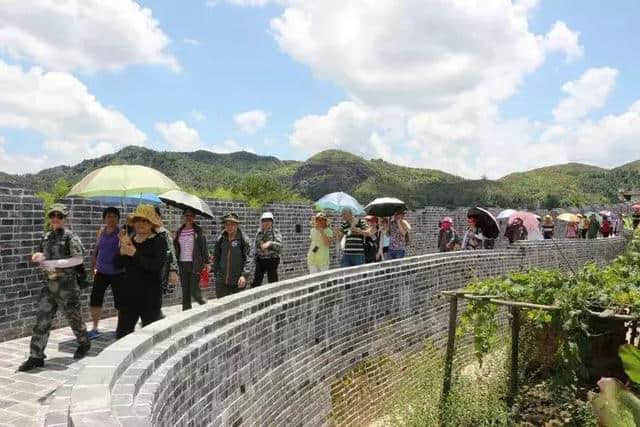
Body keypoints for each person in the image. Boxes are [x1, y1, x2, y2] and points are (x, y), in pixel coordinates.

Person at [19, 204, 91, 371]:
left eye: (59, 216)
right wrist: (38, 256)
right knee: (42, 321)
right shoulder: (45, 237)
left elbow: (78, 259)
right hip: (49, 285)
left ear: (65, 218)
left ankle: (83, 342)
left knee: (74, 318)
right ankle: (36, 356)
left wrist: (53, 263)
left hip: (67, 286)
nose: (56, 219)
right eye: (53, 216)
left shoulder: (70, 237)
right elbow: (41, 254)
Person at [114, 204, 167, 339]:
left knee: (150, 338)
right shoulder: (130, 240)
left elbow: (155, 266)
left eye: (145, 220)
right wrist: (121, 251)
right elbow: (117, 264)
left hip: (150, 297)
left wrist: (134, 253)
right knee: (122, 335)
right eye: (138, 220)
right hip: (129, 296)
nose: (141, 223)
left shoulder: (159, 242)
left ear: (151, 224)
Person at [88, 207, 123, 339]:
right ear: (104, 218)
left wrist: (123, 240)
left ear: (118, 219)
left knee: (120, 302)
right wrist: (92, 266)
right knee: (95, 299)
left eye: (114, 216)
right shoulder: (101, 232)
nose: (111, 219)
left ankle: (120, 328)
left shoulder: (121, 232)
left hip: (118, 272)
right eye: (108, 216)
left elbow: (126, 250)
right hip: (101, 271)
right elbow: (97, 250)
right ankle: (95, 328)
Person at [174, 208, 210, 311]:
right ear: (183, 217)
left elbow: (204, 247)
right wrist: (173, 239)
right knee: (185, 291)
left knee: (194, 290)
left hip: (195, 264)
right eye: (186, 215)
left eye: (191, 216)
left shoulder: (198, 231)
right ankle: (186, 313)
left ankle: (207, 307)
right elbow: (176, 248)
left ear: (194, 218)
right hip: (182, 263)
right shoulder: (179, 231)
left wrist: (207, 262)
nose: (188, 217)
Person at [213, 213, 251, 298]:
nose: (229, 227)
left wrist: (244, 276)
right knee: (221, 306)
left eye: (232, 224)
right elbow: (216, 257)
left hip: (238, 281)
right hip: (222, 281)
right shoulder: (221, 239)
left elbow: (249, 258)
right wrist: (217, 274)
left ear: (237, 225)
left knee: (237, 308)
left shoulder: (243, 239)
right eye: (227, 224)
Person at [154, 206, 179, 318]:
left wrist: (173, 270)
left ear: (159, 217)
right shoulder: (146, 231)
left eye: (155, 215)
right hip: (148, 267)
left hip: (161, 267)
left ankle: (156, 314)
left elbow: (172, 252)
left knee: (157, 290)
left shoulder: (164, 233)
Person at [253, 212, 283, 286]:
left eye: (269, 220)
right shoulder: (259, 232)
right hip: (260, 259)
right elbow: (256, 245)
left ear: (272, 222)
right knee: (256, 281)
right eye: (264, 220)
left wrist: (270, 243)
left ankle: (275, 296)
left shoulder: (275, 232)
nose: (266, 222)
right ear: (261, 222)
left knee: (273, 280)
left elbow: (280, 246)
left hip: (272, 259)